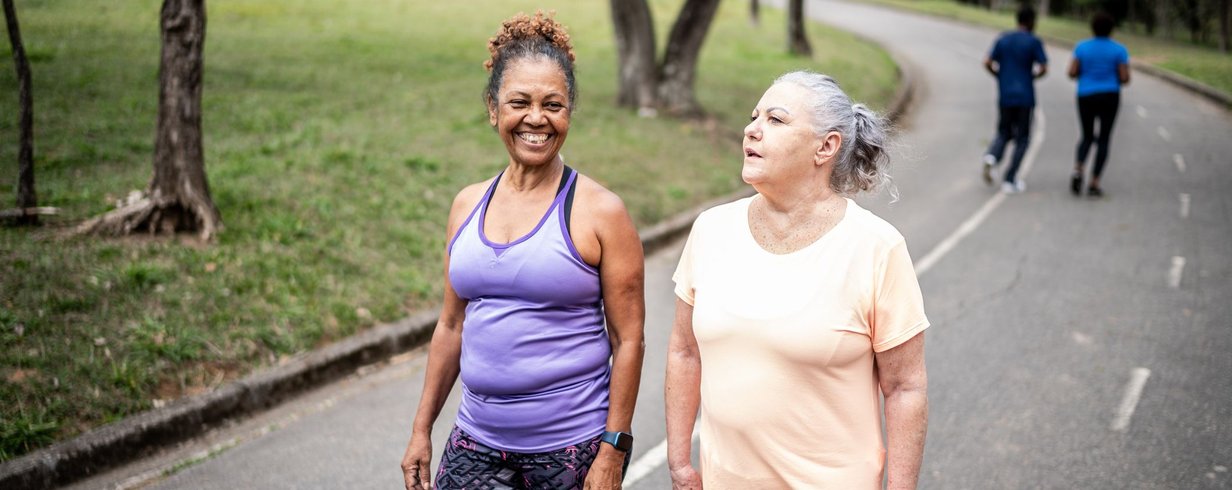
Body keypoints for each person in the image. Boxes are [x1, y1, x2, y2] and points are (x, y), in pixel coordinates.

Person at [399, 11, 645, 490]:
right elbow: (451, 325)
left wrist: (613, 449)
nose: (536, 118)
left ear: (570, 111)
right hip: (475, 440)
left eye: (553, 104)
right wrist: (420, 431)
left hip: (571, 449)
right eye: (519, 102)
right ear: (494, 109)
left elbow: (629, 339)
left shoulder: (601, 212)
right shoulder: (467, 204)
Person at [665, 71, 930, 489]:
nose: (752, 129)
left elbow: (904, 388)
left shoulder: (877, 247)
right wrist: (680, 461)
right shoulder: (710, 230)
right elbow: (684, 351)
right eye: (755, 117)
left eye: (776, 120)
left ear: (825, 147)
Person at [981, 7, 1048, 194]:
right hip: (1025, 97)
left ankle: (992, 156)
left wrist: (998, 75)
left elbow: (987, 61)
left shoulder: (1003, 39)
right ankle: (1010, 179)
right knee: (1023, 138)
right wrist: (1033, 76)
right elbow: (1043, 67)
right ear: (1031, 22)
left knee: (1004, 131)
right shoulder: (1034, 41)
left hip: (1005, 95)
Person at [1068, 12, 1130, 198]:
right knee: (1104, 138)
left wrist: (1086, 75)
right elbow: (1125, 78)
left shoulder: (1082, 47)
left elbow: (1072, 72)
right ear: (1112, 30)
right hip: (1110, 96)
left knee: (1086, 135)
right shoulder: (1119, 50)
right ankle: (1094, 182)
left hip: (1086, 95)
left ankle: (1079, 168)